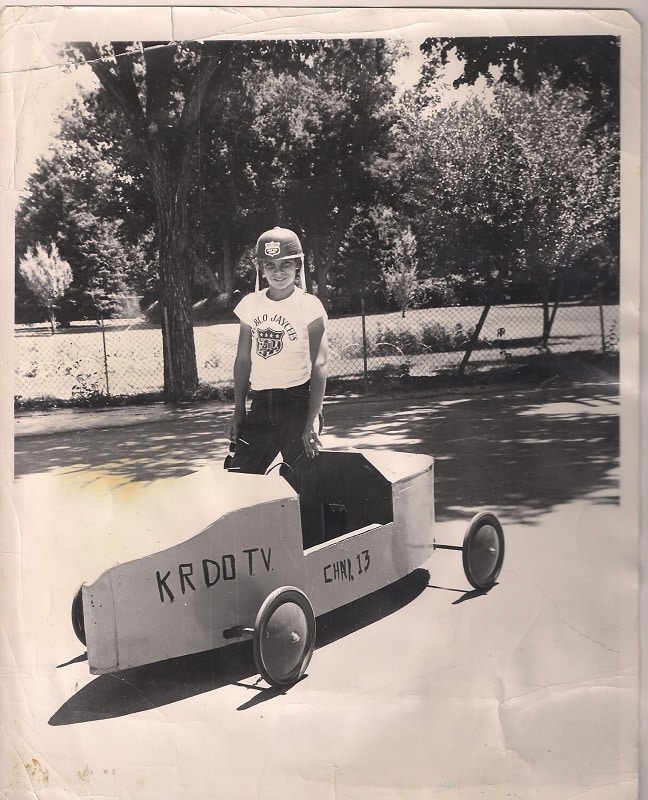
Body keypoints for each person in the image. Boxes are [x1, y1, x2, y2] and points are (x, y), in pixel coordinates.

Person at [224, 227, 328, 490]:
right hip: (261, 404)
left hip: (297, 403)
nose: (278, 272)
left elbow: (319, 364)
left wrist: (313, 418)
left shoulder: (309, 305)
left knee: (303, 485)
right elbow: (243, 361)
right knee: (239, 480)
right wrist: (238, 409)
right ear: (261, 268)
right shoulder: (251, 304)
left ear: (298, 266)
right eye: (270, 266)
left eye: (286, 265)